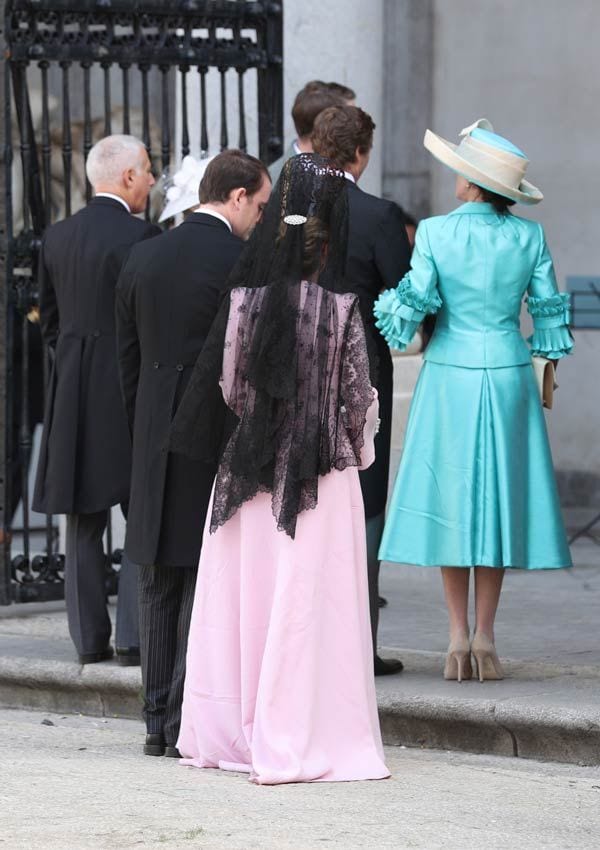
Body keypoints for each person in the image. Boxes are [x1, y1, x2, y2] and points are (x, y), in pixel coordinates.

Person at [169, 154, 389, 784]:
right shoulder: (342, 311)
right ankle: (303, 727)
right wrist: (356, 450)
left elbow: (234, 389)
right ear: (326, 251)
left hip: (249, 467)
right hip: (320, 472)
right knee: (307, 605)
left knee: (250, 599)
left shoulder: (244, 304)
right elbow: (357, 399)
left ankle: (238, 726)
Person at [374, 119, 573, 682]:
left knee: (450, 499)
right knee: (497, 506)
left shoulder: (435, 232)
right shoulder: (528, 236)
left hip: (451, 374)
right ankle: (486, 636)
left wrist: (390, 313)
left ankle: (456, 636)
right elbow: (551, 313)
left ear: (471, 181)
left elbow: (409, 313)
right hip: (508, 372)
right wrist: (543, 354)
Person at [116, 150, 271, 758]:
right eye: (258, 205)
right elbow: (250, 362)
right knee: (203, 578)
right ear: (234, 197)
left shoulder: (144, 251)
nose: (260, 217)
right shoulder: (241, 260)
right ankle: (185, 719)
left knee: (156, 576)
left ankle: (156, 721)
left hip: (154, 429)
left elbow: (126, 360)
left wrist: (143, 423)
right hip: (216, 433)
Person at [32, 134, 159, 665]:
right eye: (149, 170)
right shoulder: (143, 236)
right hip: (128, 387)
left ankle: (88, 640)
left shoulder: (57, 237)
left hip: (74, 390)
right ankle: (133, 638)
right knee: (142, 509)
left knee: (82, 519)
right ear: (128, 177)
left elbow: (49, 322)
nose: (153, 180)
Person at [312, 105, 412, 675]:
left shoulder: (287, 206)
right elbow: (402, 289)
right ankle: (357, 647)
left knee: (302, 494)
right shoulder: (378, 215)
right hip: (360, 371)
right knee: (364, 501)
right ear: (359, 154)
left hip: (297, 366)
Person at [268, 81, 354, 183]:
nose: (355, 126)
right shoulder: (274, 181)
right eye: (349, 120)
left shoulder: (342, 168)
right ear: (327, 126)